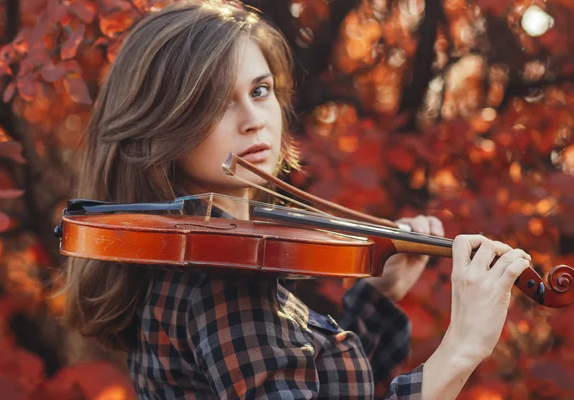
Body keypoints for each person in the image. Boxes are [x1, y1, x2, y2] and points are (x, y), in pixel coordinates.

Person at [60, 1, 533, 399]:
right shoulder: (221, 285)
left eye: (260, 90)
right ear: (161, 126)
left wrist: (375, 296)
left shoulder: (194, 259)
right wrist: (461, 349)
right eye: (215, 101)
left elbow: (316, 383)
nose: (254, 119)